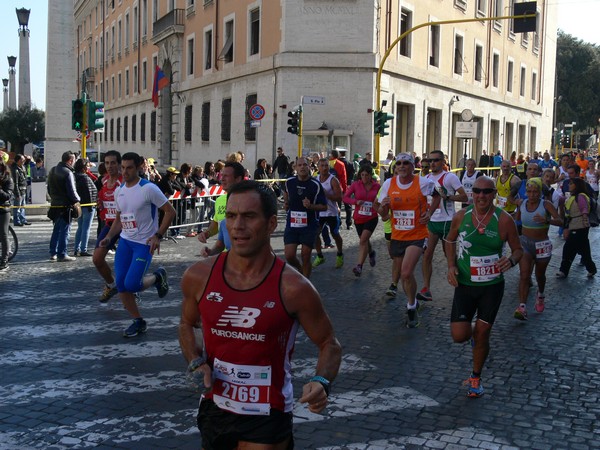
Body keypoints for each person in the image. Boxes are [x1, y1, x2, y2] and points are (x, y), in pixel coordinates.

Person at [179, 180, 342, 449]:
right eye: (231, 216)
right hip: (214, 407)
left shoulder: (294, 288)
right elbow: (187, 324)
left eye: (249, 216)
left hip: (268, 413)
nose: (237, 226)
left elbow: (329, 343)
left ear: (271, 224)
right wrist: (196, 360)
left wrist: (321, 380)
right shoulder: (198, 276)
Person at [446, 176, 523, 398]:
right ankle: (475, 338)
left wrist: (511, 261)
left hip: (492, 286)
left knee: (483, 332)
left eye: (487, 192)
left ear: (494, 194)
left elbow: (518, 250)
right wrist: (451, 265)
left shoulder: (504, 220)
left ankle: (476, 377)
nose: (481, 196)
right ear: (472, 193)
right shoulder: (461, 217)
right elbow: (450, 240)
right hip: (465, 284)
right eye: (477, 191)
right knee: (459, 336)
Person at [99, 152, 176, 337]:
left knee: (132, 284)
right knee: (121, 285)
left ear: (139, 167)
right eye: (123, 168)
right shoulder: (120, 190)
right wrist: (109, 237)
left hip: (144, 243)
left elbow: (170, 212)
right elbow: (119, 219)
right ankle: (138, 321)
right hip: (126, 242)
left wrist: (158, 235)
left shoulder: (148, 188)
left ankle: (158, 277)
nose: (125, 172)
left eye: (129, 168)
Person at [377, 153, 440, 328]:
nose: (402, 166)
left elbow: (438, 196)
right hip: (398, 236)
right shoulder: (389, 184)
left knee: (405, 272)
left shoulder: (423, 183)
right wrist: (383, 207)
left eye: (406, 163)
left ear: (413, 166)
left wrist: (429, 213)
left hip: (417, 235)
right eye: (399, 163)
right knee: (405, 277)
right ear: (395, 167)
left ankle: (411, 307)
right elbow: (383, 215)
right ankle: (413, 302)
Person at [417, 150, 468, 302]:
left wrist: (448, 197)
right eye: (430, 161)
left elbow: (464, 196)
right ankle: (426, 288)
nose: (432, 163)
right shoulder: (425, 178)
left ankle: (463, 286)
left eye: (436, 160)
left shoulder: (449, 177)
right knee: (427, 255)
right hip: (432, 223)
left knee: (449, 257)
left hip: (448, 222)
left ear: (443, 162)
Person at [513, 178, 561, 320]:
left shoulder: (546, 204)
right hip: (525, 243)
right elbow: (516, 219)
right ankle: (522, 307)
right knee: (524, 275)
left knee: (540, 275)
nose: (532, 194)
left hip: (542, 244)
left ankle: (540, 294)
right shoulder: (522, 204)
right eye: (529, 191)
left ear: (540, 192)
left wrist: (547, 220)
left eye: (535, 192)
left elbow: (560, 221)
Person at [283, 157, 327, 279]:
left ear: (309, 167)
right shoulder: (289, 181)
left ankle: (306, 283)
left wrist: (311, 206)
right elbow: (285, 191)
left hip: (309, 224)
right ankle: (300, 269)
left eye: (305, 165)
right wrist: (286, 202)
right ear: (295, 167)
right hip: (292, 224)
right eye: (299, 165)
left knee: (305, 255)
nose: (302, 167)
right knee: (289, 255)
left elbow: (324, 207)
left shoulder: (315, 185)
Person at [93, 150, 124, 303]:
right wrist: (101, 205)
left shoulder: (124, 181)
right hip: (109, 224)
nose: (109, 166)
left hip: (126, 226)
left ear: (119, 164)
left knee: (124, 263)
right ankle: (111, 285)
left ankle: (131, 292)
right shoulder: (104, 181)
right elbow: (102, 201)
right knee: (97, 259)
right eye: (107, 163)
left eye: (113, 163)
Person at [197, 162, 245, 249]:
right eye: (222, 175)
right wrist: (206, 233)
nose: (222, 179)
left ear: (238, 179)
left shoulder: (250, 201)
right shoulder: (219, 200)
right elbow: (217, 224)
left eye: (226, 176)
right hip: (226, 258)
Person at [343, 164, 380, 276]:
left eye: (366, 175)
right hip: (359, 218)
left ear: (370, 176)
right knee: (365, 241)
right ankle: (371, 253)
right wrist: (355, 201)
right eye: (362, 175)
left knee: (363, 240)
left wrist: (378, 203)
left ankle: (359, 266)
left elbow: (382, 198)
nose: (364, 177)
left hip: (372, 217)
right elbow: (345, 197)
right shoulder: (355, 185)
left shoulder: (377, 187)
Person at [557, 177, 597, 279]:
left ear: (577, 185)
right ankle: (564, 270)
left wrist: (584, 222)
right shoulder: (571, 197)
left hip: (580, 227)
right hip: (573, 225)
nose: (569, 185)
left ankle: (565, 270)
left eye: (571, 183)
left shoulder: (581, 197)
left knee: (577, 249)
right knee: (576, 249)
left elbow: (584, 210)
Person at [47, 151, 81, 262]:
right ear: (70, 160)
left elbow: (49, 188)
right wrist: (78, 200)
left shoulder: (52, 170)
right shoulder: (68, 173)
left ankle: (53, 252)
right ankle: (62, 253)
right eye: (74, 160)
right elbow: (72, 191)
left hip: (55, 205)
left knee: (56, 229)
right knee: (65, 231)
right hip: (66, 206)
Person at [312, 158, 344, 269]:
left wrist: (326, 194)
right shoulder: (315, 180)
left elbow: (339, 197)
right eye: (322, 166)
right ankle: (320, 256)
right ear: (318, 167)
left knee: (335, 234)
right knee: (315, 233)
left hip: (332, 212)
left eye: (326, 166)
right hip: (320, 212)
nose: (325, 168)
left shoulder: (333, 180)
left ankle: (340, 253)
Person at [73, 158, 98, 257]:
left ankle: (76, 248)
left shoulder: (74, 177)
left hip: (79, 205)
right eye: (87, 166)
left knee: (80, 228)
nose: (88, 168)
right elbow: (90, 192)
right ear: (84, 168)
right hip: (88, 206)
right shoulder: (85, 178)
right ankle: (84, 249)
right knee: (86, 228)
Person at [0, 160, 14, 271]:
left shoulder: (8, 179)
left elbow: (7, 196)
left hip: (3, 210)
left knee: (3, 235)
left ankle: (4, 261)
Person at [11, 154, 31, 226]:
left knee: (23, 206)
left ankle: (23, 220)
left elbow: (26, 164)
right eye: (22, 159)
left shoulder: (22, 167)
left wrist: (28, 159)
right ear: (18, 160)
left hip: (23, 189)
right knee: (17, 207)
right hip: (19, 190)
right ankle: (17, 221)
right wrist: (17, 193)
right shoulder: (15, 169)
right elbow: (15, 182)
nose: (24, 161)